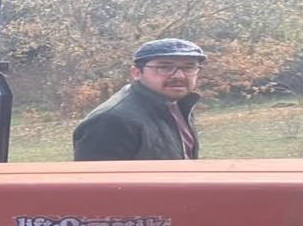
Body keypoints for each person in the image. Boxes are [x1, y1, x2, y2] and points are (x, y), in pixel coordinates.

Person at [72, 38, 206, 161]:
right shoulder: (110, 120)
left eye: (189, 67)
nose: (179, 75)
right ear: (136, 73)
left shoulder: (177, 104)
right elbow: (95, 184)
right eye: (164, 67)